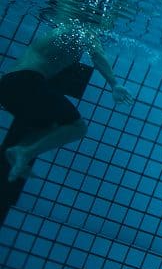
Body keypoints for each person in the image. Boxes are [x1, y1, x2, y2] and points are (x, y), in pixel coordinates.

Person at [0, 22, 133, 181]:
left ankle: (20, 151)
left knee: (52, 127)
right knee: (78, 128)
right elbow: (97, 55)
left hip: (8, 86)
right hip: (27, 81)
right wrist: (114, 84)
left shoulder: (62, 30)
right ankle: (25, 152)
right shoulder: (83, 28)